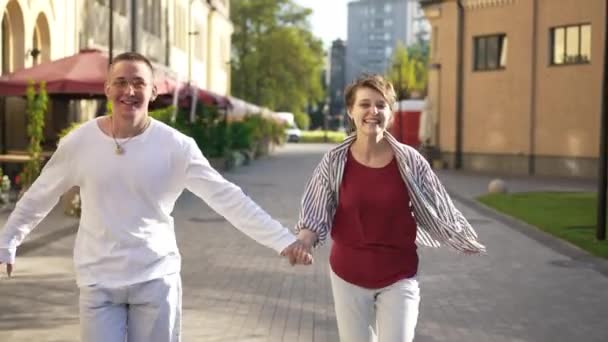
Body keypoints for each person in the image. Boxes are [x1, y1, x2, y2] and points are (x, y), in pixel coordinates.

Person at [0, 52, 311, 342]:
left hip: (155, 279)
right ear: (107, 89)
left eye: (139, 83)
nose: (129, 90)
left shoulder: (176, 146)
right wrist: (8, 240)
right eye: (121, 82)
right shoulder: (79, 143)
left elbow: (227, 198)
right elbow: (40, 195)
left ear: (153, 92)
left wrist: (281, 240)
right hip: (98, 282)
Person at [293, 74, 486, 342]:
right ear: (351, 111)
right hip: (348, 275)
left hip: (399, 275)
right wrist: (303, 241)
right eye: (364, 104)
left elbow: (440, 205)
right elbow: (316, 210)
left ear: (390, 113)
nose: (373, 111)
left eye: (381, 105)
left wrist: (460, 236)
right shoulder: (335, 161)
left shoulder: (410, 161)